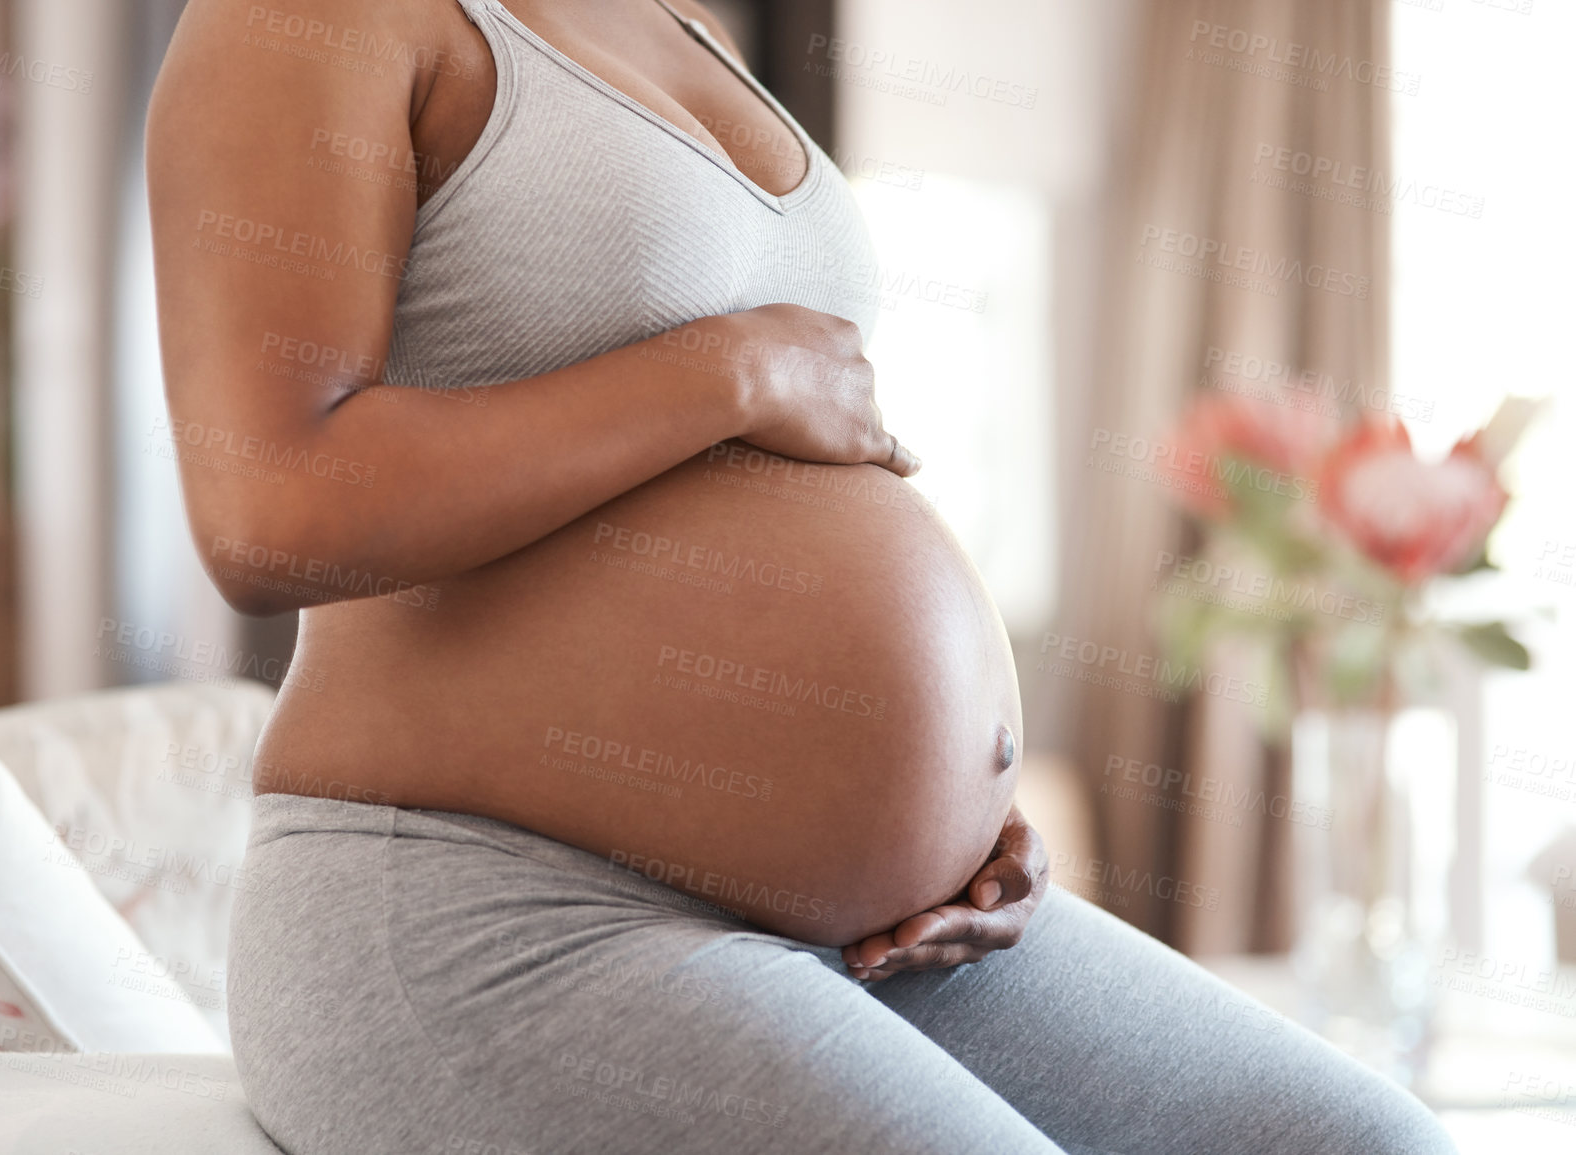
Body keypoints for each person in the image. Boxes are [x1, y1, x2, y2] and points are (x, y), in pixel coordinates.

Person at [146, 1, 1459, 1151]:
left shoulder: (688, 26)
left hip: (887, 933)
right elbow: (269, 506)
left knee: (1372, 1142)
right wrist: (734, 371)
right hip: (481, 905)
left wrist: (939, 817)